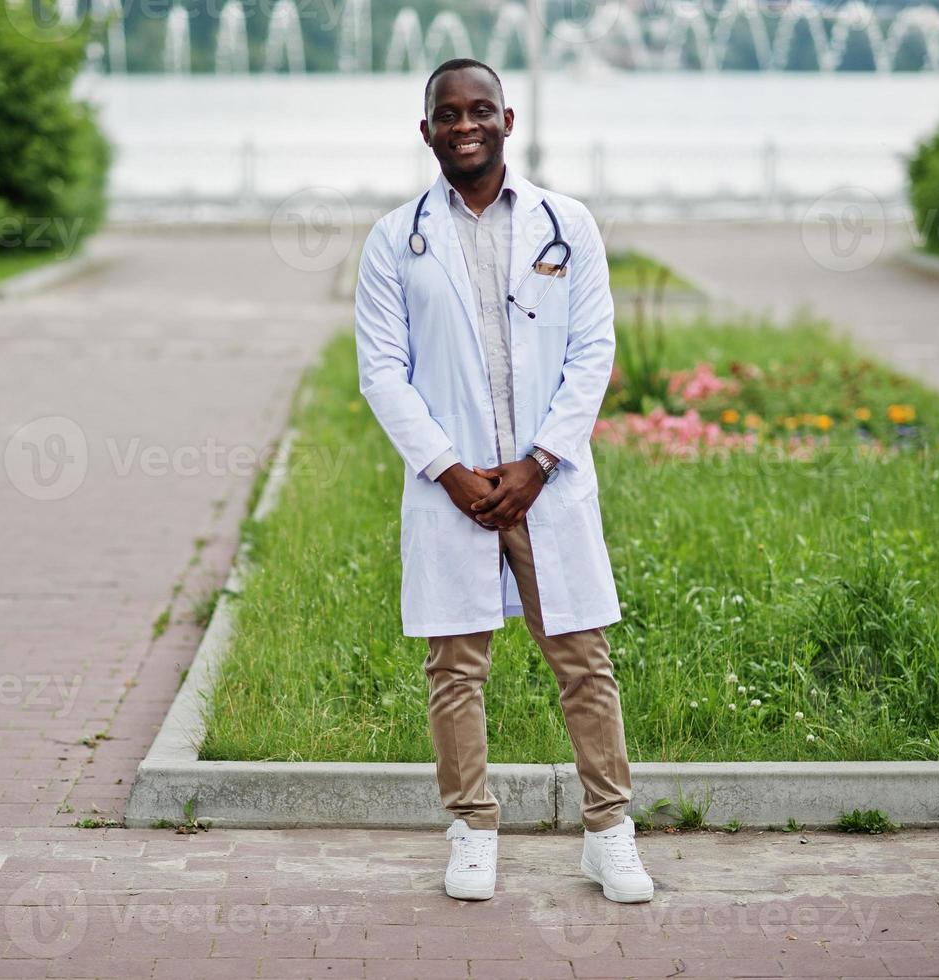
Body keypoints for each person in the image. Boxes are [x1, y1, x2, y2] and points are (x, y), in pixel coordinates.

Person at [353, 58, 654, 904]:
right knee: (455, 666)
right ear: (426, 132)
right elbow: (382, 371)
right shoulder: (393, 238)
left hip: (544, 483)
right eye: (446, 115)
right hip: (455, 487)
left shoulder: (568, 223)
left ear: (507, 120)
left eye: (479, 110)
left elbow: (592, 352)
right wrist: (450, 473)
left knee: (583, 660)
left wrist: (539, 461)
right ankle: (472, 830)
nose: (464, 126)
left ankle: (609, 833)